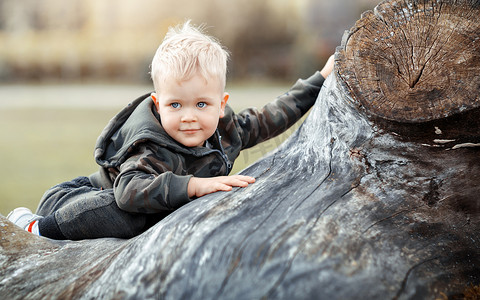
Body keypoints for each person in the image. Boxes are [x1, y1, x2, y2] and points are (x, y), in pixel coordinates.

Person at [7, 21, 334, 240]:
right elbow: (129, 191)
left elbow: (269, 117)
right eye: (175, 105)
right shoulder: (150, 147)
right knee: (133, 216)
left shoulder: (226, 130)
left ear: (221, 104)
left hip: (91, 199)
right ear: (158, 103)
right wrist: (194, 185)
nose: (189, 117)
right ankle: (35, 227)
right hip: (75, 200)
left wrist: (319, 80)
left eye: (201, 105)